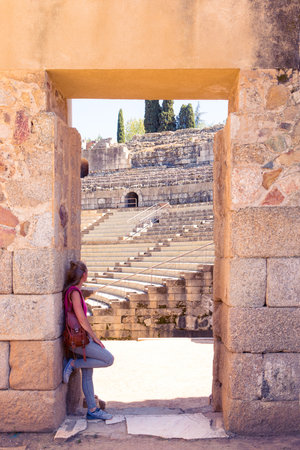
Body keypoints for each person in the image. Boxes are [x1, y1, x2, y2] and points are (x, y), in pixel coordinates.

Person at [63, 260, 114, 421]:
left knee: (87, 374)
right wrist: (95, 337)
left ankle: (92, 410)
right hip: (79, 341)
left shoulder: (71, 291)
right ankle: (72, 364)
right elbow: (82, 319)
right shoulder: (75, 293)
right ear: (84, 275)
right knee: (108, 359)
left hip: (78, 340)